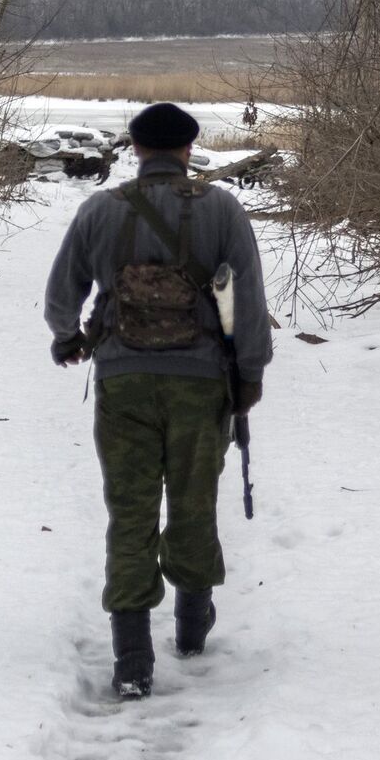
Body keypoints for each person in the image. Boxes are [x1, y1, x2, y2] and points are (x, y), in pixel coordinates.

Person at [44, 102, 273, 700]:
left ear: (136, 148)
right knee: (194, 501)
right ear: (189, 149)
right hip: (201, 383)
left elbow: (60, 293)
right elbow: (245, 300)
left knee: (131, 509)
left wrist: (67, 338)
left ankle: (132, 660)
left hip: (122, 379)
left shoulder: (100, 209)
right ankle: (193, 630)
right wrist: (249, 375)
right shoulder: (221, 209)